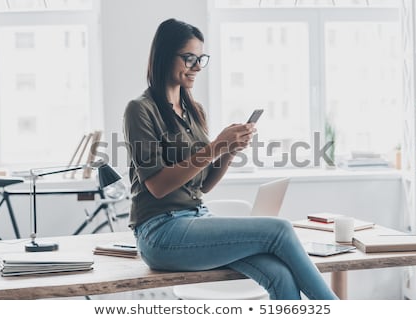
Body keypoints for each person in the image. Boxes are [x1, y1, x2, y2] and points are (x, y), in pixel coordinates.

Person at [123, 18, 338, 300]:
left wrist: (229, 150)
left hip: (196, 219)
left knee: (279, 274)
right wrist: (216, 146)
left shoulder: (193, 110)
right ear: (164, 55)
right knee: (280, 230)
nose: (197, 66)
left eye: (201, 58)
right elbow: (157, 186)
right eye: (189, 58)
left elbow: (204, 186)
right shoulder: (140, 110)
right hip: (160, 233)